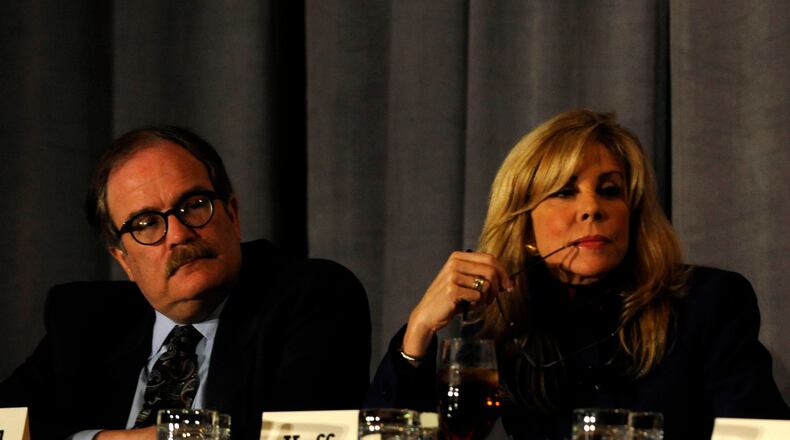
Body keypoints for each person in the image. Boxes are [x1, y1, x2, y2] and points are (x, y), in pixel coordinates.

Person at [366, 109, 790, 438]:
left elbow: (759, 431)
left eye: (609, 190)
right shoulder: (496, 321)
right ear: (523, 220)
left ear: (633, 215)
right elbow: (390, 433)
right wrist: (419, 331)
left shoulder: (706, 302)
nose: (592, 208)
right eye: (566, 191)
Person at [0, 126, 371, 440]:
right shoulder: (85, 323)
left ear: (232, 214)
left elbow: (301, 433)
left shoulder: (310, 296)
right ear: (122, 259)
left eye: (193, 205)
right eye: (146, 223)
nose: (177, 234)